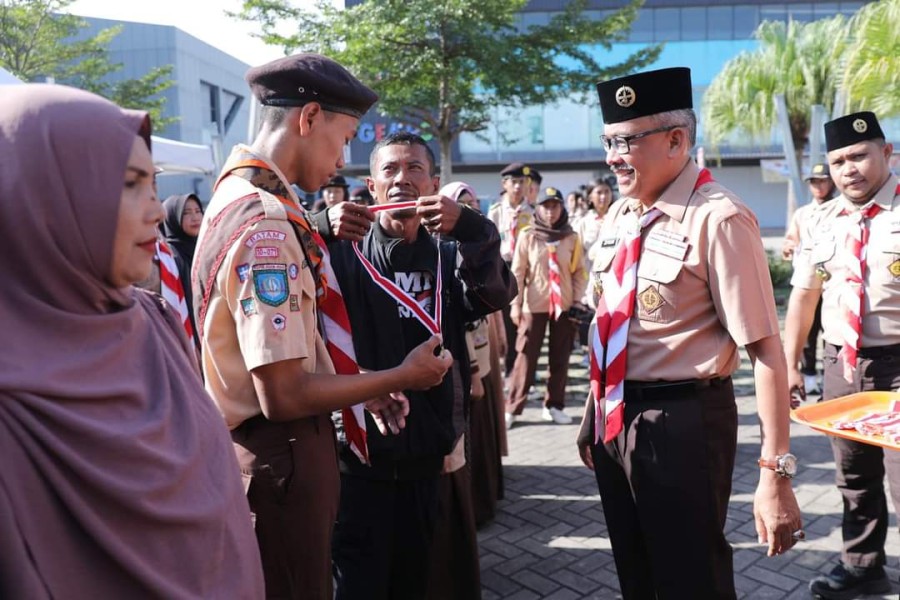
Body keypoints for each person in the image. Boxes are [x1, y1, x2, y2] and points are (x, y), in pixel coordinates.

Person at [192, 54, 452, 599]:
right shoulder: (266, 223)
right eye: (345, 138)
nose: (341, 161)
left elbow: (292, 350)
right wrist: (397, 378)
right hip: (281, 459)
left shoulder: (239, 200)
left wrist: (357, 390)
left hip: (271, 455)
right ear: (309, 117)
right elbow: (283, 393)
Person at [0, 84, 263, 598]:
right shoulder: (12, 400)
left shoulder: (155, 324)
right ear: (43, 197)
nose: (153, 211)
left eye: (153, 184)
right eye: (127, 183)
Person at [576, 67, 802, 599]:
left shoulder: (719, 219)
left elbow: (765, 349)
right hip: (616, 417)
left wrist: (776, 471)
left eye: (626, 141)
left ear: (677, 140)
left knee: (689, 577)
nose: (612, 156)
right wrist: (594, 414)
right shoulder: (622, 216)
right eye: (608, 141)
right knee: (637, 572)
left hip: (683, 423)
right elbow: (610, 323)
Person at [327, 132, 516, 600]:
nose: (401, 180)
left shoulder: (449, 255)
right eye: (389, 169)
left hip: (430, 456)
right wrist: (316, 221)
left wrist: (472, 228)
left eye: (414, 169)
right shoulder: (339, 255)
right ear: (371, 186)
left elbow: (496, 294)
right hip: (358, 456)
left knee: (422, 580)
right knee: (359, 584)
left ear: (433, 183)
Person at [783, 111, 899, 599]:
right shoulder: (820, 220)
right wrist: (791, 364)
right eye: (838, 161)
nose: (848, 169)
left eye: (859, 155)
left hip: (898, 364)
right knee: (853, 477)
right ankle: (862, 567)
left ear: (887, 154)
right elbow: (804, 298)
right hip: (842, 365)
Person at [441, 181, 505, 526]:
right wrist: (477, 367)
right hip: (467, 356)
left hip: (484, 344)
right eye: (459, 203)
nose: (466, 210)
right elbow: (463, 321)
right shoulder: (443, 247)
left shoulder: (475, 241)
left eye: (471, 204)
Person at [505, 186, 587, 428]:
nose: (550, 211)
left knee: (560, 357)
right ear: (538, 208)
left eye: (555, 206)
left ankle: (554, 405)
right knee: (525, 357)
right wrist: (515, 305)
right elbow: (518, 273)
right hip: (534, 304)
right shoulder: (528, 235)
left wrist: (578, 300)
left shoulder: (571, 237)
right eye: (546, 206)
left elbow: (579, 272)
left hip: (564, 304)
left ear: (562, 208)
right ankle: (513, 407)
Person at [781, 163, 836, 395]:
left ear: (831, 182)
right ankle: (810, 375)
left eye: (822, 180)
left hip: (833, 283)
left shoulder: (843, 209)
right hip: (807, 279)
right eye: (814, 182)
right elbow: (792, 239)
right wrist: (788, 246)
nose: (818, 186)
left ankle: (830, 377)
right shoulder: (803, 214)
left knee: (832, 331)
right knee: (807, 331)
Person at [488, 162, 535, 375]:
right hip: (504, 267)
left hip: (528, 269)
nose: (518, 187)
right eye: (513, 182)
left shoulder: (533, 212)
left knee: (527, 317)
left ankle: (527, 369)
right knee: (507, 318)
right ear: (504, 184)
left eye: (522, 182)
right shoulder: (496, 211)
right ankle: (509, 368)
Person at [162, 193, 203, 344]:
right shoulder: (170, 256)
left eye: (198, 211)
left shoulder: (204, 248)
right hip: (186, 339)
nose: (195, 217)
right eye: (186, 213)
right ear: (173, 217)